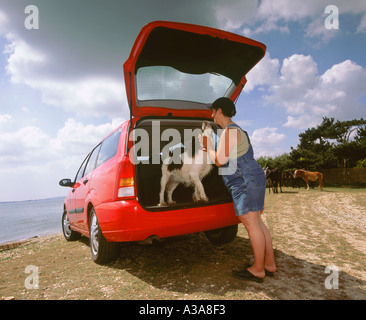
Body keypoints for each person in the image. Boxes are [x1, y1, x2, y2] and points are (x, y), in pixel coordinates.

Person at [200, 97, 276, 283]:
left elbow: (219, 160)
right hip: (251, 175)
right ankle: (269, 264)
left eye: (213, 111)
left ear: (219, 111)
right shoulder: (237, 130)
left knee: (251, 224)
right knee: (257, 221)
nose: (212, 115)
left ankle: (258, 270)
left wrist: (208, 147)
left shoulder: (229, 131)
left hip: (245, 179)